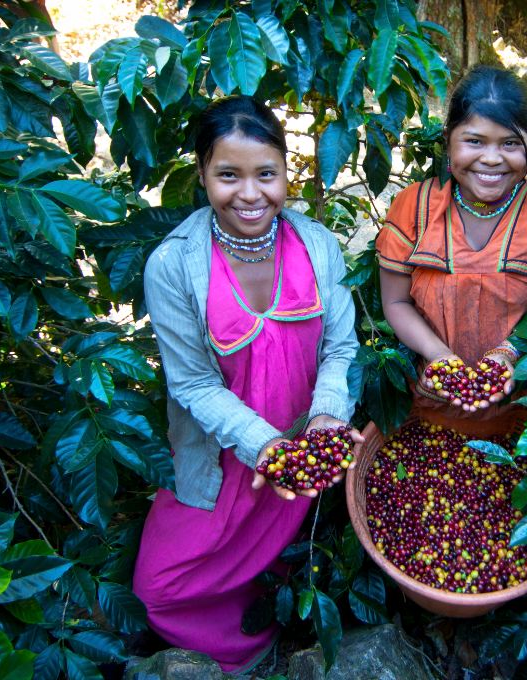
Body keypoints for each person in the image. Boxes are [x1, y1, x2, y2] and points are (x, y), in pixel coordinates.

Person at [133, 95, 361, 672]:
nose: (250, 194)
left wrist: (327, 418)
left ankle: (274, 630)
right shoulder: (174, 264)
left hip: (302, 443)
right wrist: (267, 448)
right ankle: (229, 653)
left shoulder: (318, 245)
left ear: (287, 173)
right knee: (160, 585)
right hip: (226, 451)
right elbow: (193, 385)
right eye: (227, 175)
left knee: (277, 557)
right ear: (202, 175)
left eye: (267, 174)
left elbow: (339, 347)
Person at [376, 65, 527, 437]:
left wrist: (508, 354)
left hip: (522, 409)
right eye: (474, 141)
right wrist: (440, 358)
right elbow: (396, 303)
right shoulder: (415, 209)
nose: (492, 158)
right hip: (431, 404)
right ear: (448, 140)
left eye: (510, 143)